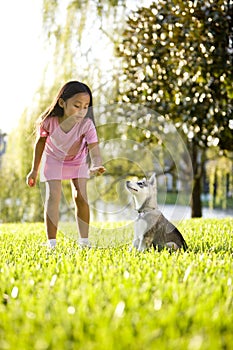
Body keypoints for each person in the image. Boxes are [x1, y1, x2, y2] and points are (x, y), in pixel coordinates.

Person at [26, 81, 106, 248]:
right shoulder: (49, 121)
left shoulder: (87, 125)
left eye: (86, 107)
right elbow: (40, 144)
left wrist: (97, 164)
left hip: (77, 160)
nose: (82, 111)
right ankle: (51, 243)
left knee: (81, 197)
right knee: (53, 196)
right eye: (77, 106)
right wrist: (34, 170)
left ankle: (84, 242)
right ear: (62, 103)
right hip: (53, 159)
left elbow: (94, 148)